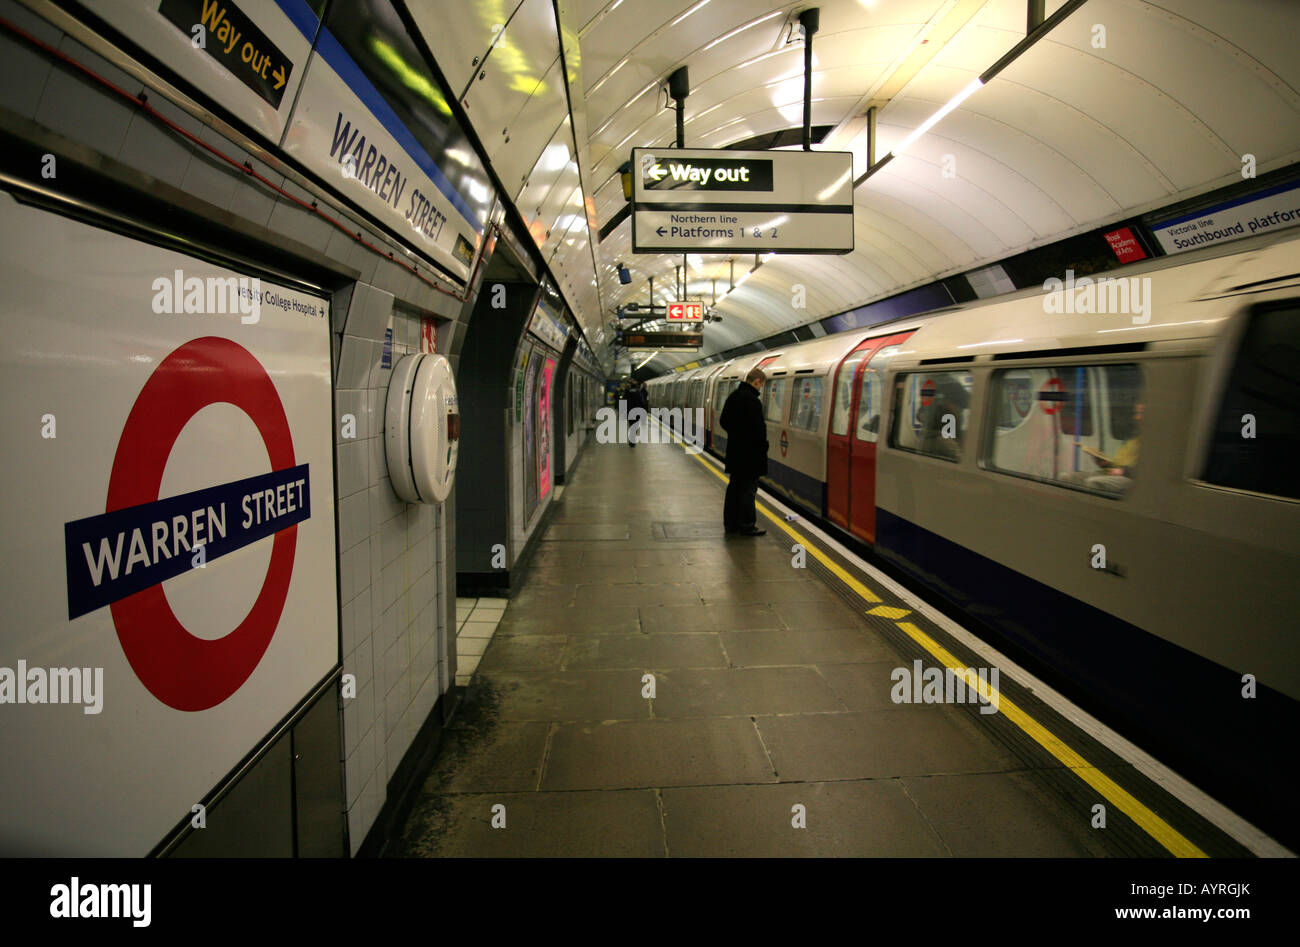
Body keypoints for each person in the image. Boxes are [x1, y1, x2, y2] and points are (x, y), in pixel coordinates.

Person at [718, 368, 769, 536]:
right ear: (756, 382)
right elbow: (758, 431)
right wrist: (761, 446)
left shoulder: (733, 397)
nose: (760, 389)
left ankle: (730, 524)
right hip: (750, 456)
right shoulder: (753, 401)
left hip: (736, 452)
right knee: (748, 491)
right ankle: (747, 525)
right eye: (761, 385)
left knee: (734, 489)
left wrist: (737, 435)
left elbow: (724, 421)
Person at [626, 380, 648, 447]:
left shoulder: (627, 392)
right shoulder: (638, 393)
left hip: (629, 411)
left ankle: (631, 440)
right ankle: (632, 440)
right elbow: (642, 402)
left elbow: (623, 401)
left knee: (631, 425)